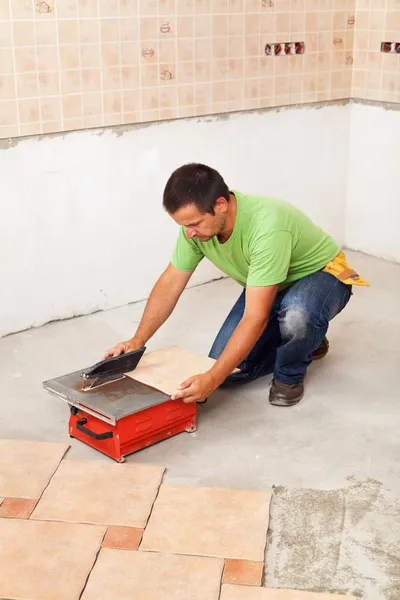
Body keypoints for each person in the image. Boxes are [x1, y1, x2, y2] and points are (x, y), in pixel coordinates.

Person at [104, 163, 367, 407]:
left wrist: (212, 377)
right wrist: (137, 341)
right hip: (269, 282)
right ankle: (307, 339)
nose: (188, 233)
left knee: (297, 316)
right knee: (228, 373)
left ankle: (291, 369)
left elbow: (256, 316)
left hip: (322, 275)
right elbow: (171, 282)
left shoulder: (267, 226)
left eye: (194, 223)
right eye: (183, 226)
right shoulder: (194, 229)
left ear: (220, 205)